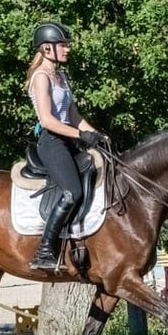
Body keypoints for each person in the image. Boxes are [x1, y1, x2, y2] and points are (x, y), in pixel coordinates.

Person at [25, 21, 108, 271]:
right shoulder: (41, 78)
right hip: (51, 142)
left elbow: (73, 115)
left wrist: (98, 136)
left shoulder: (60, 76)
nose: (67, 49)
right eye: (62, 45)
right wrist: (82, 136)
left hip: (67, 140)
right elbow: (48, 120)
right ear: (46, 49)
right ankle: (45, 251)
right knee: (72, 191)